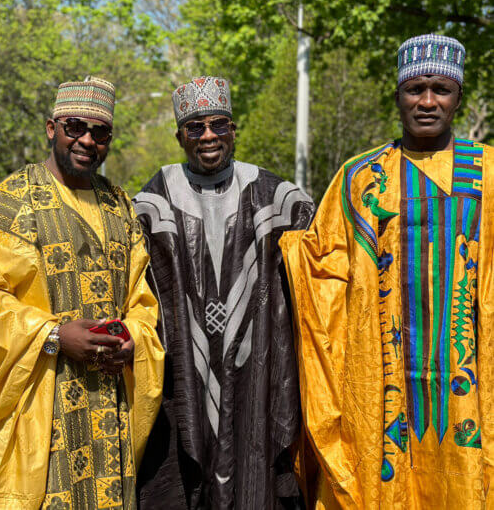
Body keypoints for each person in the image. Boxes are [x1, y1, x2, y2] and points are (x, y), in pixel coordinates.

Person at [280, 34, 494, 508]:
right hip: (379, 383)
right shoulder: (361, 177)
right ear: (397, 95)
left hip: (473, 386)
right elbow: (323, 273)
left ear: (459, 96)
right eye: (414, 88)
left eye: (441, 88)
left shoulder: (489, 173)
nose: (427, 101)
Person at [0, 76, 164, 509]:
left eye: (100, 132)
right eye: (76, 127)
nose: (87, 140)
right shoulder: (5, 206)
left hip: (110, 403)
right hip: (40, 402)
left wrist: (132, 339)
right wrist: (55, 337)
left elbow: (142, 299)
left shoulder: (120, 206)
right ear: (52, 128)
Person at [133, 76, 315, 509]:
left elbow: (322, 269)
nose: (209, 136)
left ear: (234, 130)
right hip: (183, 380)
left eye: (218, 125)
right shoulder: (152, 201)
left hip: (260, 375)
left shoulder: (278, 198)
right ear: (180, 136)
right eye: (195, 128)